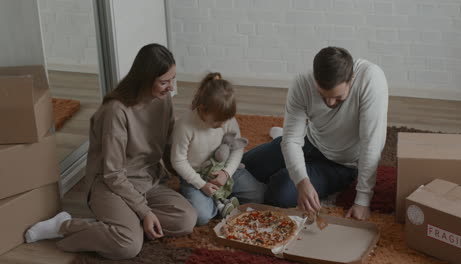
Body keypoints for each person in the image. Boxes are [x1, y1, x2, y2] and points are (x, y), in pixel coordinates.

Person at [24, 43, 197, 260]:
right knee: (128, 245)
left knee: (186, 219)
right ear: (145, 79)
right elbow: (113, 174)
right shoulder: (116, 111)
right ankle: (65, 226)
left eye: (173, 79)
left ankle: (117, 225)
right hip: (109, 185)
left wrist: (195, 173)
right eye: (164, 82)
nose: (171, 87)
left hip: (147, 180)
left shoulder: (163, 101)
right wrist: (145, 212)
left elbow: (169, 146)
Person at [242, 47, 388, 220]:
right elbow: (292, 140)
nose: (330, 102)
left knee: (278, 193)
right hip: (310, 141)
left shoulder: (371, 79)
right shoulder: (303, 83)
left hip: (342, 163)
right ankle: (280, 142)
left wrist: (362, 201)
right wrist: (302, 182)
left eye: (338, 98)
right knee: (246, 165)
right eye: (323, 95)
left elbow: (371, 145)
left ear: (352, 78)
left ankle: (286, 158)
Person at [171, 72, 265, 226]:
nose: (222, 125)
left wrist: (226, 173)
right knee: (201, 217)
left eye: (225, 121)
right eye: (217, 122)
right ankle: (220, 203)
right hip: (196, 175)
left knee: (258, 195)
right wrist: (201, 185)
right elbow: (178, 161)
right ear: (202, 109)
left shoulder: (226, 118)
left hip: (223, 168)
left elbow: (237, 148)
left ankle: (220, 200)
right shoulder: (184, 125)